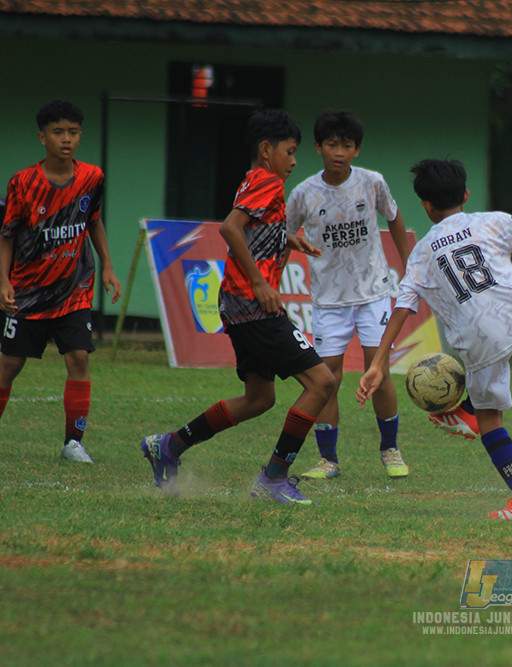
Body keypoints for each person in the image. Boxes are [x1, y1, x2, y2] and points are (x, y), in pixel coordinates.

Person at [140, 109, 336, 504]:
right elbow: (230, 227)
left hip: (237, 304)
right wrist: (261, 283)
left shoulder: (252, 179)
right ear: (266, 150)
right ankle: (273, 479)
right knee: (322, 382)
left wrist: (286, 239)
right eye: (290, 151)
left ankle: (170, 446)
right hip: (252, 303)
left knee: (259, 399)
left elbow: (251, 226)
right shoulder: (268, 181)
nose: (294, 161)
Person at [356, 159, 512, 521]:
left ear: (425, 205)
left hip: (482, 339)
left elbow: (402, 308)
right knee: (486, 401)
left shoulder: (422, 252)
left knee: (490, 420)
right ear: (465, 195)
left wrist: (377, 364)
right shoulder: (492, 220)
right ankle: (465, 412)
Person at [285, 110, 411, 481]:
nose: (339, 152)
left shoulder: (372, 182)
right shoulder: (304, 193)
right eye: (332, 144)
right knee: (326, 378)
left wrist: (410, 266)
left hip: (373, 293)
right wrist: (274, 275)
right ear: (317, 147)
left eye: (347, 145)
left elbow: (394, 216)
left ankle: (390, 449)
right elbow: (285, 234)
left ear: (357, 150)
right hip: (328, 299)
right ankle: (328, 460)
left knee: (379, 371)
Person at [0, 99, 122, 463]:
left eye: (73, 132)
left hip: (74, 288)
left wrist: (108, 266)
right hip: (28, 291)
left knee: (79, 358)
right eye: (58, 132)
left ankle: (73, 443)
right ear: (43, 137)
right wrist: (4, 280)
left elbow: (93, 221)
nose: (66, 139)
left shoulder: (92, 177)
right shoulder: (23, 183)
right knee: (9, 365)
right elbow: (7, 234)